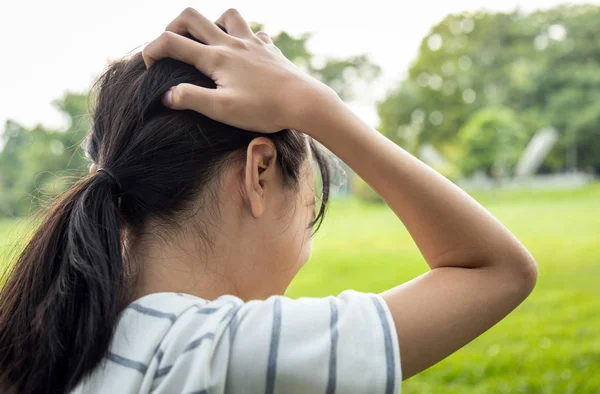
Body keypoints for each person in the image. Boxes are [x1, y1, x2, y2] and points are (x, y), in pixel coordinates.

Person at [0, 7, 538, 394]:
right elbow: (497, 270)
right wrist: (316, 107)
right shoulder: (225, 355)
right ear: (258, 172)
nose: (306, 245)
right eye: (311, 214)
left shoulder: (53, 339)